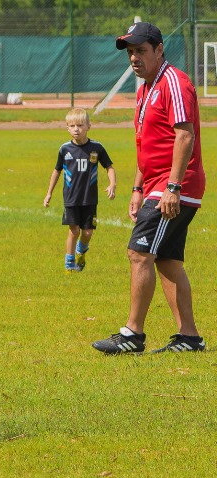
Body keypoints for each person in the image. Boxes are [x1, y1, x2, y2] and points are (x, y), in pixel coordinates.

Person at [93, 22, 206, 354]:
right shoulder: (146, 87)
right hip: (156, 184)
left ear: (159, 49)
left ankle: (132, 334)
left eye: (141, 51)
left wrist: (172, 186)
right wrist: (137, 187)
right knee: (166, 259)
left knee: (139, 252)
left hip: (175, 185)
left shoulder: (175, 82)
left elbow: (185, 135)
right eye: (130, 52)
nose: (134, 58)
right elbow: (148, 143)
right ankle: (189, 337)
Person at [43, 107, 116, 272]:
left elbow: (109, 167)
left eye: (80, 125)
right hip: (71, 198)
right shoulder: (64, 150)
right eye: (73, 125)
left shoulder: (97, 148)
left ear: (89, 126)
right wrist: (49, 193)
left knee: (87, 233)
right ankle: (69, 264)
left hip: (89, 199)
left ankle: (80, 251)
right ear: (67, 127)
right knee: (74, 230)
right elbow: (57, 171)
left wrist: (112, 184)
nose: (76, 129)